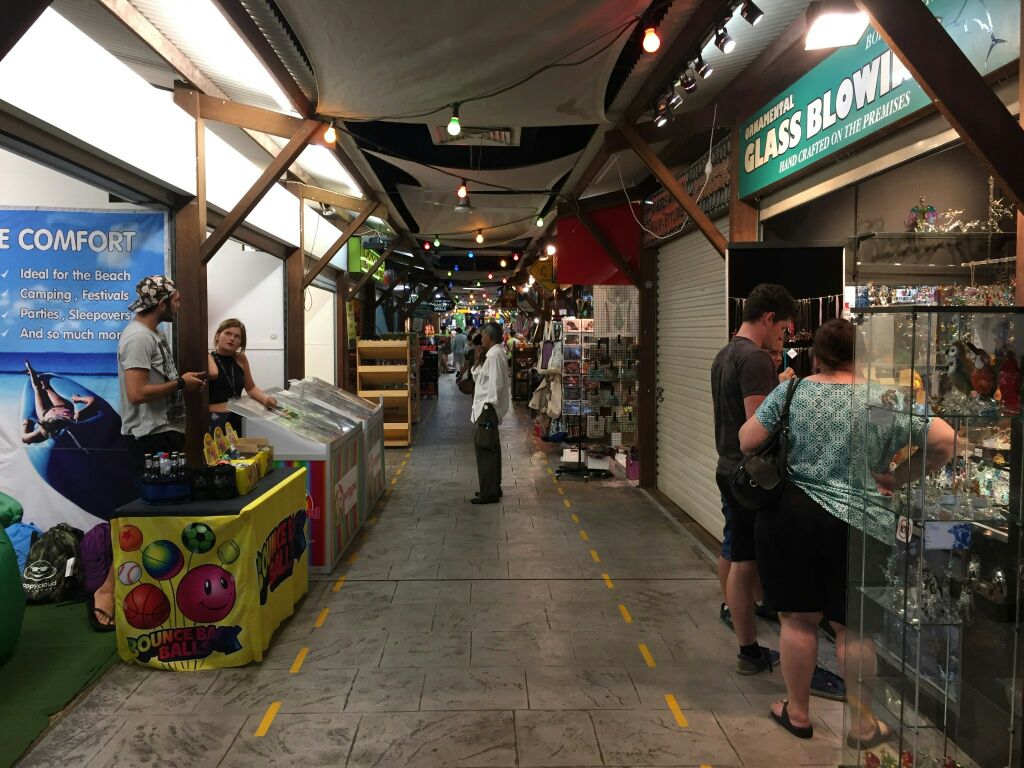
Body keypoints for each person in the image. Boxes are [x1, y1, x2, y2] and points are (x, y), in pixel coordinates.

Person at [739, 319, 955, 742]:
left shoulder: (793, 392)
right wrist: (898, 477)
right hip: (864, 524)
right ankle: (862, 724)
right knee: (854, 628)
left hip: (792, 519)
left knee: (797, 620)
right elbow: (945, 440)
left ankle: (798, 713)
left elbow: (747, 440)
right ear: (862, 355)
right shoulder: (884, 401)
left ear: (817, 355)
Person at [711, 283, 796, 676]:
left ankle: (745, 633)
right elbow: (758, 427)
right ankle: (748, 650)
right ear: (769, 318)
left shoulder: (725, 354)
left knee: (737, 553)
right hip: (750, 475)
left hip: (729, 468)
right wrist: (786, 391)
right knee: (744, 560)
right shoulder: (756, 359)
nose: (784, 338)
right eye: (783, 329)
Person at [117, 275, 206, 477]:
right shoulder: (139, 337)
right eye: (176, 301)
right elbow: (136, 394)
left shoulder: (155, 333)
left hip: (164, 434)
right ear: (161, 304)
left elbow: (162, 379)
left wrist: (186, 382)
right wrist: (181, 383)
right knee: (159, 496)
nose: (179, 306)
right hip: (150, 439)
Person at [207, 318, 278, 435]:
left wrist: (266, 399)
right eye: (228, 333)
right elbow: (213, 375)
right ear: (218, 336)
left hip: (238, 415)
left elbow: (251, 388)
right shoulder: (209, 358)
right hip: (216, 417)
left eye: (237, 336)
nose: (232, 339)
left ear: (241, 342)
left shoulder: (241, 359)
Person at [470, 322, 511, 504]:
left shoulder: (494, 355)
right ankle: (493, 487)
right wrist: (478, 359)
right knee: (491, 447)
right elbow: (480, 377)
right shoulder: (494, 353)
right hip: (489, 407)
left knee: (485, 448)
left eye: (483, 335)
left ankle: (489, 492)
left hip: (487, 408)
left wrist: (489, 404)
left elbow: (495, 383)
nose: (482, 338)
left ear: (490, 336)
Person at [22, 360, 100, 444]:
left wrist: (26, 425)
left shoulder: (44, 431)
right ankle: (35, 376)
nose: (66, 412)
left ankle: (31, 371)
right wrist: (78, 399)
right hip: (61, 406)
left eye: (63, 415)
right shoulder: (76, 417)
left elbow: (25, 438)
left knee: (38, 388)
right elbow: (93, 401)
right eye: (65, 416)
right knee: (45, 388)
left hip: (44, 413)